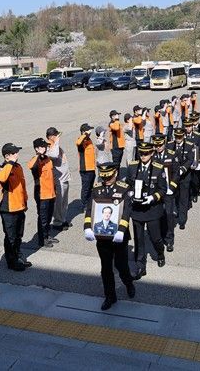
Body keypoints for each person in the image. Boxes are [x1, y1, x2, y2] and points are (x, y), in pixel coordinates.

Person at [83, 162, 135, 310]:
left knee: (121, 266)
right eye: (103, 177)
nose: (106, 180)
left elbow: (126, 211)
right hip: (102, 237)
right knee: (105, 268)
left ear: (116, 173)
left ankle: (128, 283)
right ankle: (110, 296)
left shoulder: (123, 189)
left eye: (109, 177)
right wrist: (87, 227)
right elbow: (90, 209)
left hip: (118, 236)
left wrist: (121, 230)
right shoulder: (97, 189)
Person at [126, 142, 167, 280]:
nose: (143, 156)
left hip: (152, 209)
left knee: (155, 238)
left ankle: (160, 253)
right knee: (139, 239)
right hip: (137, 210)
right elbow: (128, 185)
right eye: (141, 153)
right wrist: (131, 194)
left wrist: (152, 198)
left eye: (146, 153)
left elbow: (163, 189)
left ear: (152, 153)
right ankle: (140, 266)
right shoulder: (132, 167)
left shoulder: (158, 168)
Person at [0, 143, 31, 271]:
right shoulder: (1, 169)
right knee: (10, 237)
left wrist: (25, 202)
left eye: (17, 152)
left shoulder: (18, 167)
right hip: (8, 209)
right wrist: (10, 163)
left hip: (19, 207)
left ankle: (17, 256)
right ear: (7, 156)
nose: (17, 154)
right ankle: (11, 262)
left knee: (18, 235)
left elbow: (22, 186)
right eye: (14, 153)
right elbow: (2, 178)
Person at [28, 139, 58, 249]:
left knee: (49, 216)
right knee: (43, 218)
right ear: (37, 148)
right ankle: (42, 239)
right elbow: (31, 166)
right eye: (43, 147)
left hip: (51, 193)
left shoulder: (48, 159)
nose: (45, 148)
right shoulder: (35, 161)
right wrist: (38, 155)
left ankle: (47, 235)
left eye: (46, 146)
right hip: (42, 194)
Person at [152, 133, 179, 252]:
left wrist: (172, 187)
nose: (158, 147)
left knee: (168, 214)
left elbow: (176, 173)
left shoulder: (171, 154)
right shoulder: (152, 156)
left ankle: (169, 240)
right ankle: (161, 236)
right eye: (156, 145)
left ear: (164, 143)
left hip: (168, 190)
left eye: (160, 145)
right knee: (158, 215)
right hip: (157, 191)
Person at [169, 128, 194, 231]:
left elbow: (190, 159)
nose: (178, 139)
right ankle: (178, 211)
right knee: (176, 196)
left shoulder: (189, 145)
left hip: (184, 176)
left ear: (183, 136)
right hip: (173, 176)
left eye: (180, 137)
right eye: (176, 137)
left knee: (183, 198)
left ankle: (182, 220)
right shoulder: (170, 145)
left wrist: (183, 169)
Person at [45, 127, 71, 230]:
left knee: (64, 201)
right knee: (59, 202)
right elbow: (54, 155)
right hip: (58, 179)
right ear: (50, 137)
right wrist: (56, 142)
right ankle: (57, 222)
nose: (58, 137)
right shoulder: (48, 147)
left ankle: (62, 219)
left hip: (65, 177)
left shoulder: (56, 145)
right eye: (56, 135)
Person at [76, 123, 96, 212]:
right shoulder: (81, 141)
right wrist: (84, 135)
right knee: (86, 188)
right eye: (88, 130)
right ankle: (84, 204)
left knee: (90, 187)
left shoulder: (89, 140)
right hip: (85, 169)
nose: (90, 132)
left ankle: (89, 202)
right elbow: (78, 142)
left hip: (91, 168)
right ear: (83, 131)